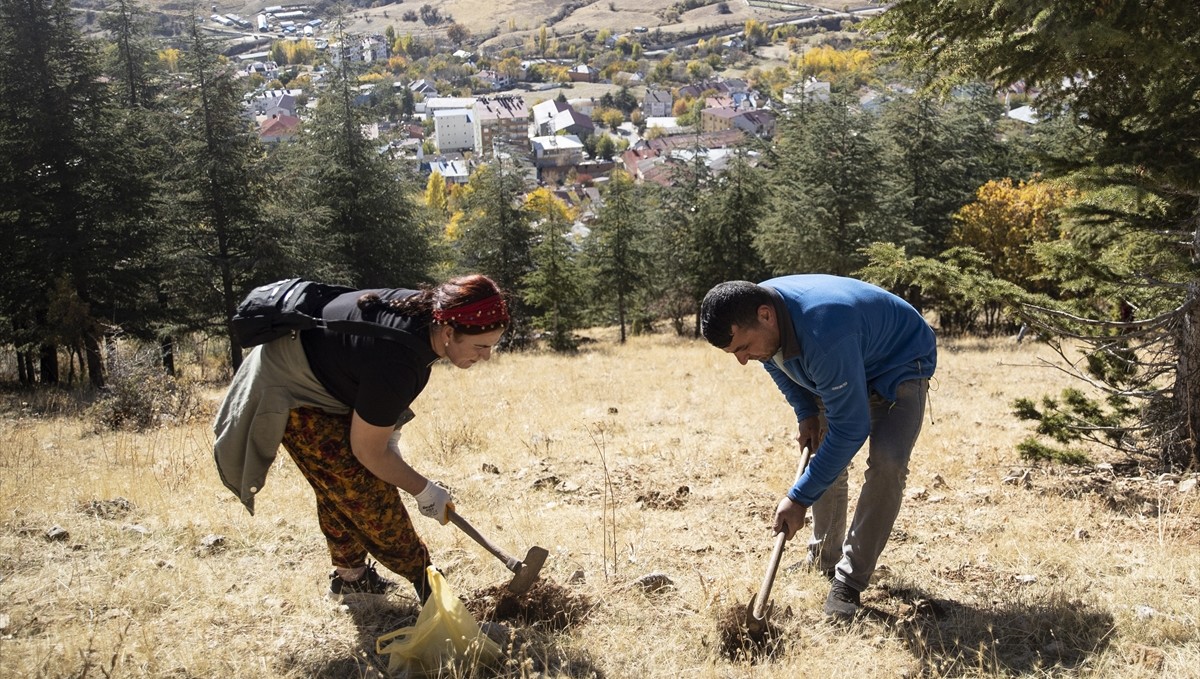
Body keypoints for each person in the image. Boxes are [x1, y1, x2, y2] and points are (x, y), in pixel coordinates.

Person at [213, 274, 509, 603]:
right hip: (292, 389)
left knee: (342, 485)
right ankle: (431, 592)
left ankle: (351, 580)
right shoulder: (398, 359)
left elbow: (375, 392)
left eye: (492, 346)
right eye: (481, 346)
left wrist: (390, 438)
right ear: (450, 331)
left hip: (330, 380)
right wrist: (424, 490)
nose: (486, 357)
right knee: (362, 491)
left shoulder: (427, 317)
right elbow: (367, 451)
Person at [700, 275, 936, 620]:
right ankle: (824, 557)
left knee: (888, 462)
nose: (743, 360)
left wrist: (798, 498)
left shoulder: (824, 331)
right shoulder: (756, 311)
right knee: (823, 449)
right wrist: (806, 411)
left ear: (766, 315)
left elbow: (851, 429)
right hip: (842, 356)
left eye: (742, 348)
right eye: (734, 352)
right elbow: (773, 361)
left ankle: (848, 582)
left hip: (898, 362)